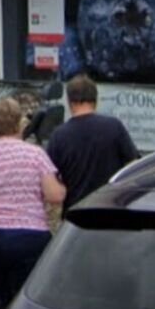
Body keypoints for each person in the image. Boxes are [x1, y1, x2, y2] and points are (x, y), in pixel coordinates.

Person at [0, 98, 67, 305]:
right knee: (28, 297)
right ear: (20, 122)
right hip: (28, 236)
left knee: (5, 295)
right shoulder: (35, 155)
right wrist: (63, 186)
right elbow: (55, 196)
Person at [47, 75, 139, 210]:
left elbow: (49, 176)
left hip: (76, 214)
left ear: (70, 101)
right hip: (111, 208)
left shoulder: (59, 135)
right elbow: (134, 164)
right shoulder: (114, 126)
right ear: (95, 99)